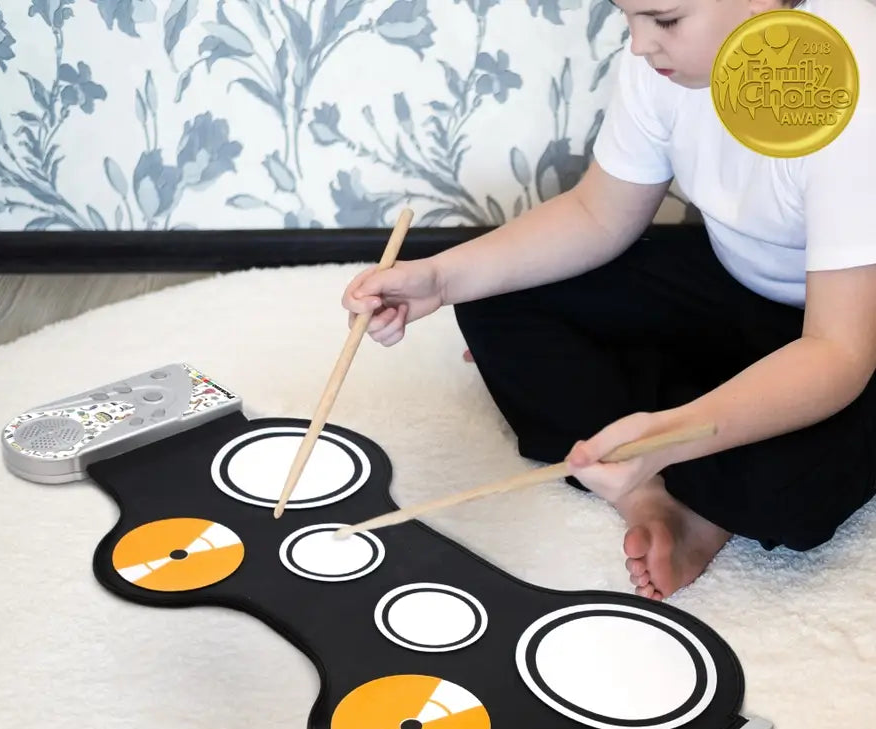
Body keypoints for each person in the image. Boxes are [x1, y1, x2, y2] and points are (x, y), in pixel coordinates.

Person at [341, 0, 876, 601]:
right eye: (630, 18)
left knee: (784, 493)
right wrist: (439, 279)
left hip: (853, 331)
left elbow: (837, 350)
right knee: (497, 294)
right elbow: (598, 215)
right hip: (743, 283)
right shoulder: (659, 67)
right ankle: (644, 490)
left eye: (665, 21)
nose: (640, 44)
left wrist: (676, 434)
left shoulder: (851, 88)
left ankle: (702, 489)